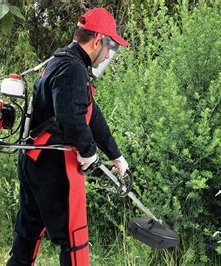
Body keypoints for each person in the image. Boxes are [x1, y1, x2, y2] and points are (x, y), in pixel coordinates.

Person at [7, 7, 129, 266]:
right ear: (97, 40)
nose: (108, 54)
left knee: (28, 230)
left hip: (33, 159)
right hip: (54, 164)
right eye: (109, 48)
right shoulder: (72, 69)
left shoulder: (58, 61)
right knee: (74, 240)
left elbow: (90, 114)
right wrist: (88, 152)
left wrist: (115, 156)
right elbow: (70, 118)